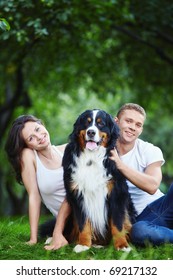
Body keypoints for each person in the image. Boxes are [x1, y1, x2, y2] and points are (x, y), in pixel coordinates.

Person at [109, 103, 173, 246]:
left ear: (141, 130)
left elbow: (152, 186)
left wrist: (120, 164)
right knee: (139, 232)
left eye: (138, 125)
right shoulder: (103, 149)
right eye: (128, 121)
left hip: (163, 206)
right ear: (116, 121)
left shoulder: (149, 150)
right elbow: (71, 147)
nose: (133, 127)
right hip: (143, 220)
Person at [5, 115, 71, 249]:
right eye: (31, 138)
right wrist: (33, 239)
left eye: (37, 129)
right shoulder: (29, 156)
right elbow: (34, 196)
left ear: (43, 125)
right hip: (67, 221)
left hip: (87, 211)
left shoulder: (68, 149)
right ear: (27, 146)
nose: (39, 136)